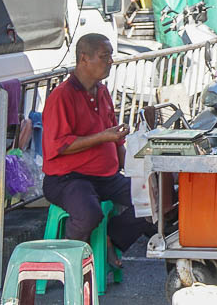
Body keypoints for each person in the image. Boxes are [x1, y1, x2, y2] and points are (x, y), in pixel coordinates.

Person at [42, 35, 153, 258]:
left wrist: (137, 169)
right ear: (84, 59)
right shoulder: (62, 95)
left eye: (111, 56)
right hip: (68, 178)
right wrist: (102, 137)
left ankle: (111, 239)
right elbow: (59, 145)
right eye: (105, 56)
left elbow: (115, 140)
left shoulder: (101, 91)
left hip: (106, 176)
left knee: (153, 201)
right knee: (89, 214)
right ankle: (67, 262)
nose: (110, 61)